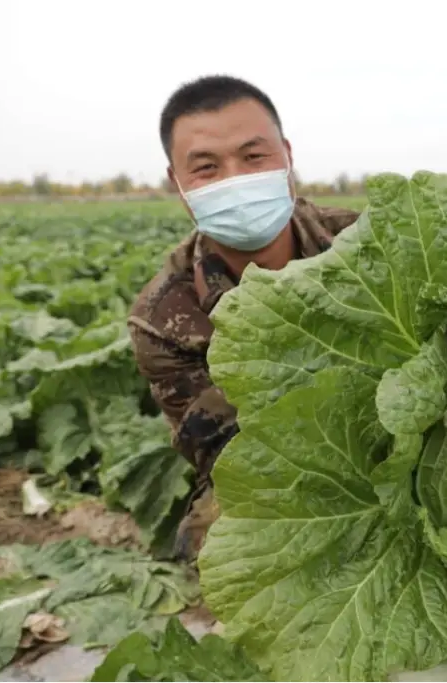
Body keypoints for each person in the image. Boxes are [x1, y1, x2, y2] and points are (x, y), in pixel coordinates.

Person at [128, 75, 360, 561]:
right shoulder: (163, 316)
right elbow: (226, 452)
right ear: (178, 183)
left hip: (416, 436)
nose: (235, 179)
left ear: (287, 156)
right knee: (225, 541)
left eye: (254, 158)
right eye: (207, 168)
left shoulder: (367, 242)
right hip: (286, 468)